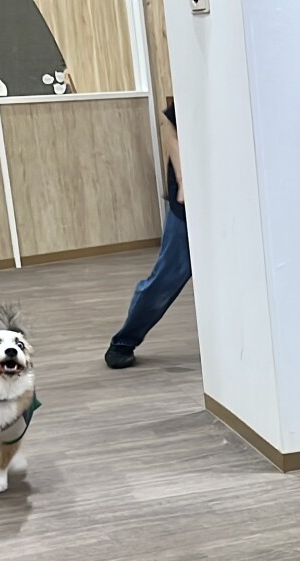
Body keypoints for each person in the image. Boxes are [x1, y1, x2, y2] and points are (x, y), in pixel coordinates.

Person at [104, 102, 190, 369]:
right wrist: (183, 178)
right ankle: (124, 341)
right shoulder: (202, 90)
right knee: (168, 276)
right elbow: (170, 125)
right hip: (188, 201)